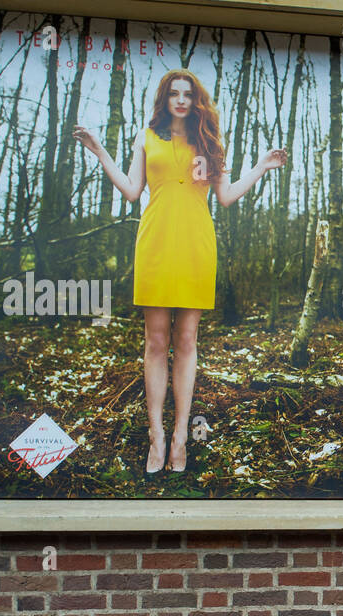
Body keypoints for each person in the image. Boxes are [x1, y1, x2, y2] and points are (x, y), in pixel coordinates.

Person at [73, 70, 286, 477]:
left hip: (195, 246)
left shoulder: (209, 142)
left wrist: (260, 167)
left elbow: (224, 197)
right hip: (154, 243)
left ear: (196, 100)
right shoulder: (145, 136)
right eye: (175, 93)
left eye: (189, 94)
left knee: (186, 340)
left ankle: (180, 437)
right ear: (165, 98)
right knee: (156, 342)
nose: (182, 100)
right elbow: (133, 190)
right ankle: (156, 436)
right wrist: (101, 151)